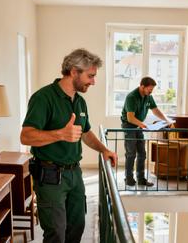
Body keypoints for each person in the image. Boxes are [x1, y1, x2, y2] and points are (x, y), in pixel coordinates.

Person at [20, 48, 118, 243]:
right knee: (56, 232)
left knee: (77, 227)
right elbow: (26, 136)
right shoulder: (43, 98)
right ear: (74, 72)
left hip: (75, 174)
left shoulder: (80, 102)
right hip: (49, 176)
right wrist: (60, 134)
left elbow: (86, 133)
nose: (93, 81)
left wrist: (104, 150)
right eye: (90, 76)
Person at [120, 76, 169, 186]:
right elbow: (130, 118)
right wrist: (143, 125)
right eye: (149, 89)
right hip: (129, 126)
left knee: (142, 153)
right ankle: (128, 178)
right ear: (142, 86)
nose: (151, 91)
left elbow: (155, 110)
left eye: (152, 89)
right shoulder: (131, 97)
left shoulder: (148, 97)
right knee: (131, 153)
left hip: (139, 126)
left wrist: (166, 121)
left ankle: (141, 179)